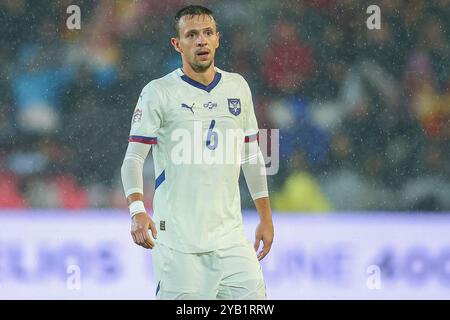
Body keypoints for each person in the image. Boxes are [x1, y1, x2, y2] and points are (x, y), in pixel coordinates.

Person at [121, 5, 274, 300]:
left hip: (230, 240)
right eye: (192, 35)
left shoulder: (237, 87)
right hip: (178, 243)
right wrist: (137, 210)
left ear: (217, 38)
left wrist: (265, 217)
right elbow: (133, 158)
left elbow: (252, 157)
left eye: (207, 33)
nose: (201, 41)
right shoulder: (158, 92)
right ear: (177, 44)